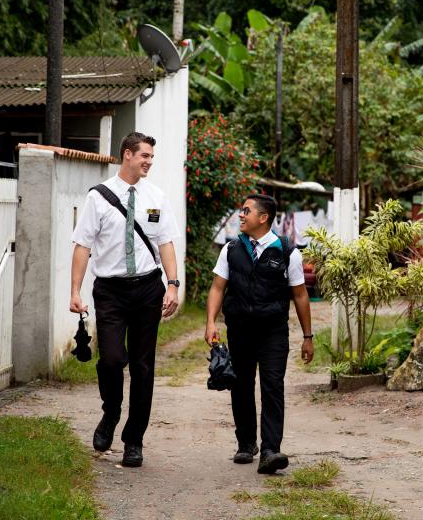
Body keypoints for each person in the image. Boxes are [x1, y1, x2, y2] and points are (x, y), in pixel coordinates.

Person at [69, 132, 181, 468]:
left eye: (151, 157)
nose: (148, 162)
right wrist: (75, 291)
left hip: (148, 287)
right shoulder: (99, 198)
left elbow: (166, 244)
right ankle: (111, 411)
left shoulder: (156, 197)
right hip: (111, 291)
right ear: (127, 154)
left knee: (144, 367)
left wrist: (172, 285)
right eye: (144, 156)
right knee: (113, 359)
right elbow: (83, 245)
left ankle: (134, 441)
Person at [204, 194, 315, 474]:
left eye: (246, 211)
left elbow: (300, 295)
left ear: (263, 218)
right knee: (240, 385)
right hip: (240, 329)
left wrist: (308, 336)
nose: (241, 215)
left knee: (272, 385)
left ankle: (270, 450)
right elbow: (218, 287)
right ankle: (246, 443)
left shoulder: (287, 251)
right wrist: (210, 322)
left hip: (273, 332)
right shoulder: (231, 249)